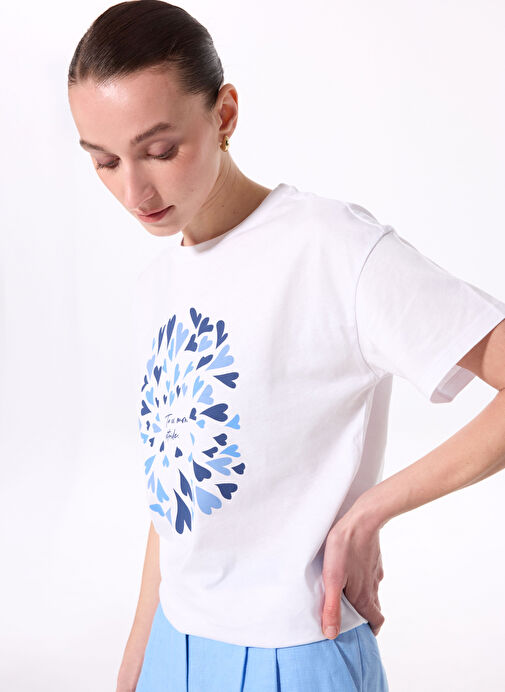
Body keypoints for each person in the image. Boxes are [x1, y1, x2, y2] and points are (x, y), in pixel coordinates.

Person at [67, 2, 505, 691]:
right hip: (172, 648)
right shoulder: (157, 284)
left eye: (160, 151)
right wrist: (137, 661)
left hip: (295, 654)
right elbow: (177, 493)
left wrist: (369, 511)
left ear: (224, 115)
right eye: (104, 160)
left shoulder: (332, 249)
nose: (133, 189)